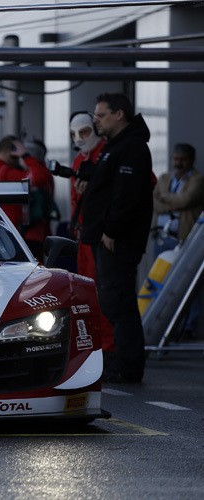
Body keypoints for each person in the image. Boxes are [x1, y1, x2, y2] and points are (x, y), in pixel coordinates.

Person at [79, 92, 154, 383]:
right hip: (105, 236)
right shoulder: (115, 145)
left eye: (101, 115)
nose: (96, 120)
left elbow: (128, 195)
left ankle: (128, 365)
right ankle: (119, 360)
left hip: (116, 239)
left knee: (119, 303)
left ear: (119, 114)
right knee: (112, 302)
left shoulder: (132, 147)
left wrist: (112, 230)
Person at [66, 111, 114, 353]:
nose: (79, 138)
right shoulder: (79, 160)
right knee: (87, 294)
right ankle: (95, 345)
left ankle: (108, 346)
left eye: (84, 132)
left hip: (103, 236)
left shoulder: (109, 154)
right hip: (84, 235)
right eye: (75, 133)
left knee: (104, 294)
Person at [151, 143, 204, 336]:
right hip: (161, 238)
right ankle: (161, 325)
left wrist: (166, 198)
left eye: (182, 159)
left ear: (191, 160)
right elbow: (155, 203)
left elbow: (187, 200)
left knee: (187, 284)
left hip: (184, 239)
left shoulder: (198, 180)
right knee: (160, 281)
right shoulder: (165, 178)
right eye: (176, 159)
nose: (178, 163)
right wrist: (172, 202)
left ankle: (188, 326)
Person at [0, 136, 52, 257]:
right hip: (10, 236)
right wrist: (26, 156)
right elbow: (39, 177)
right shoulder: (7, 172)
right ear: (11, 154)